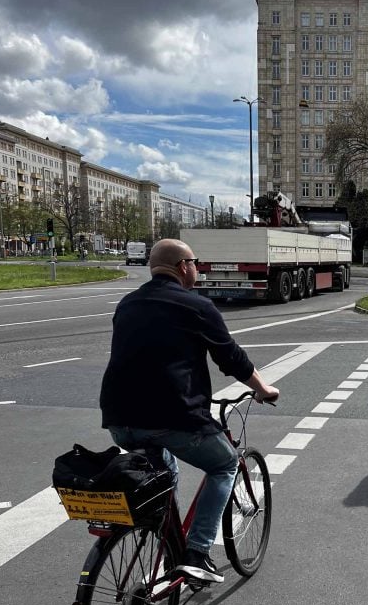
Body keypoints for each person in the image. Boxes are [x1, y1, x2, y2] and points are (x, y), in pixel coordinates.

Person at [99, 238, 279, 584]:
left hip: (119, 419)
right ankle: (196, 551)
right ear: (183, 267)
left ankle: (171, 549)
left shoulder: (127, 304)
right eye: (196, 262)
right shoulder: (196, 306)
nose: (198, 268)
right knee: (225, 464)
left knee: (166, 475)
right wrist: (263, 389)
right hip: (174, 417)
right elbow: (230, 357)